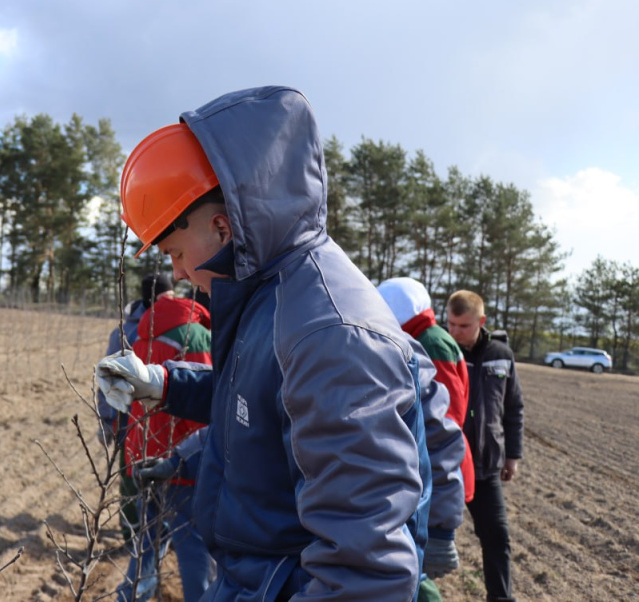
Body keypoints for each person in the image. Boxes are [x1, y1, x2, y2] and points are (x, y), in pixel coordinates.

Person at [95, 86, 433, 600]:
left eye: (176, 252)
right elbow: (255, 406)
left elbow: (363, 574)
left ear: (223, 227)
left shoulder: (331, 336)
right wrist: (162, 384)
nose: (178, 272)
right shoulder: (270, 299)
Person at [116, 283, 215, 602]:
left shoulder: (140, 332)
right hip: (180, 458)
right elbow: (206, 402)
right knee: (194, 548)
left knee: (146, 546)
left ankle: (129, 598)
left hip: (143, 450)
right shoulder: (195, 335)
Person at [379, 277, 473, 602]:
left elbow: (445, 416)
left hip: (436, 463)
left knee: (414, 574)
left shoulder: (430, 343)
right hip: (433, 462)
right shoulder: (424, 337)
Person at [446, 290, 524, 602]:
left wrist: (513, 456)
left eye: (462, 325)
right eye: (450, 323)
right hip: (446, 465)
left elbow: (513, 408)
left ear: (481, 321)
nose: (454, 331)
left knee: (497, 538)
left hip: (485, 467)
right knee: (423, 537)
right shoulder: (442, 352)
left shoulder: (501, 355)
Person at [99, 274, 176, 544]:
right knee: (130, 478)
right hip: (128, 416)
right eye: (165, 296)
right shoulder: (127, 331)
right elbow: (108, 377)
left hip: (165, 414)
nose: (170, 301)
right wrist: (106, 419)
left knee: (165, 475)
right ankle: (131, 535)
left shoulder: (177, 323)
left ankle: (161, 533)